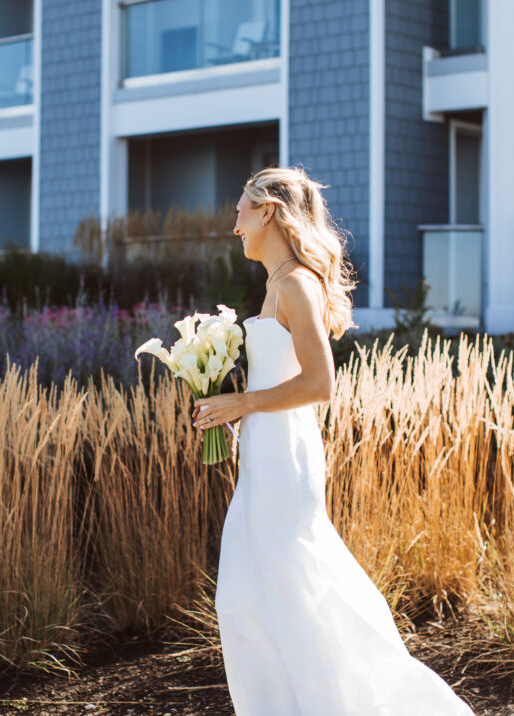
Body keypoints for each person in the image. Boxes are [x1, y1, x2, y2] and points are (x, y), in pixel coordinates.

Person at [192, 167, 474, 715]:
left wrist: (244, 403)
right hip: (267, 450)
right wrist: (234, 412)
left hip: (285, 456)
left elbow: (321, 384)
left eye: (240, 212)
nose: (235, 226)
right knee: (257, 591)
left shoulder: (295, 282)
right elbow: (280, 376)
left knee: (287, 587)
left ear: (268, 210)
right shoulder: (278, 283)